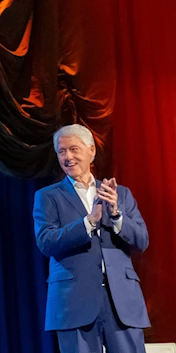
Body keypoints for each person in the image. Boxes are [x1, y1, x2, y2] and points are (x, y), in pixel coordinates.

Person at [33, 124, 150, 353]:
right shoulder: (47, 196)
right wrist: (88, 222)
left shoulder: (121, 194)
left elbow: (142, 240)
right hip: (74, 301)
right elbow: (46, 242)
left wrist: (116, 215)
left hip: (121, 302)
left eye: (74, 149)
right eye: (62, 151)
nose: (68, 157)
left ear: (91, 151)